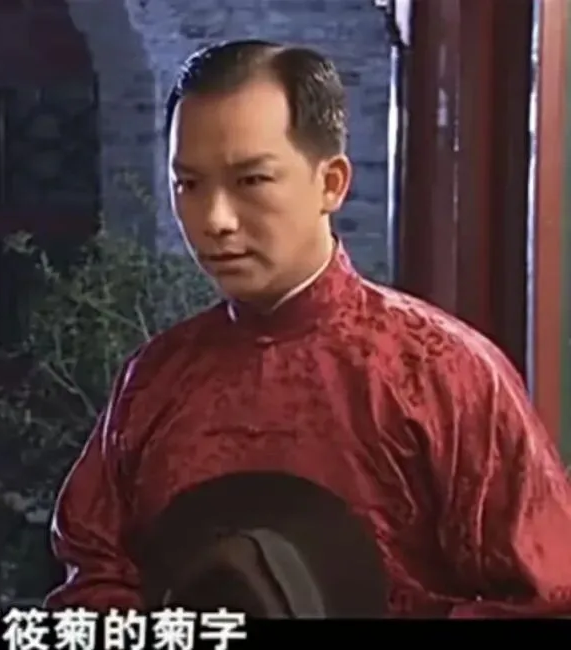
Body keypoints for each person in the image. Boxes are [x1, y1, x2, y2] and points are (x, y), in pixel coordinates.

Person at [45, 40, 571, 617]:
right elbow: (94, 577)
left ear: (332, 183)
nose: (216, 219)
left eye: (251, 180)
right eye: (189, 185)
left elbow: (547, 597)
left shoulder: (441, 373)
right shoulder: (155, 380)